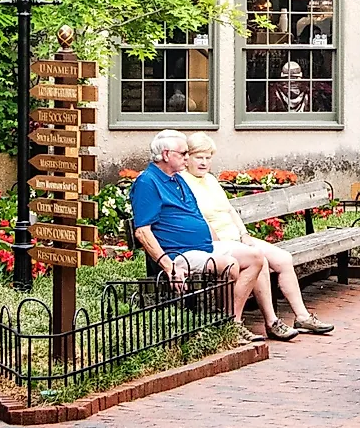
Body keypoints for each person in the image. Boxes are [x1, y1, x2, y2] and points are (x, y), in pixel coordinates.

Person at [180, 132, 333, 341]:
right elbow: (198, 218)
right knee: (257, 259)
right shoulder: (183, 182)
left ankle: (302, 317)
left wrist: (244, 234)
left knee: (283, 259)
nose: (204, 162)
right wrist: (218, 242)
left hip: (236, 237)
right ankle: (271, 322)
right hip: (218, 243)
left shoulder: (210, 180)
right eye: (199, 157)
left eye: (208, 157)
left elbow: (230, 210)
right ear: (187, 157)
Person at [128, 130, 261, 342]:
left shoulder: (177, 180)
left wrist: (217, 243)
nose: (187, 158)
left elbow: (197, 216)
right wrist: (168, 266)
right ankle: (227, 327)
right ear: (165, 154)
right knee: (229, 265)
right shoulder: (148, 182)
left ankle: (231, 323)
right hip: (178, 254)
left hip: (203, 247)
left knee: (255, 258)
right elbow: (142, 232)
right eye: (183, 153)